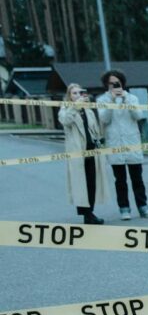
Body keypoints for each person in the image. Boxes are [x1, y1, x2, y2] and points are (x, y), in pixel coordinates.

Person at [96, 69, 148, 220]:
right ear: (106, 85)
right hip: (115, 143)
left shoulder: (132, 98)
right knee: (120, 180)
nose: (114, 85)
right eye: (111, 83)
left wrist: (125, 101)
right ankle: (124, 208)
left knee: (137, 178)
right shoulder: (102, 100)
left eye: (117, 82)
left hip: (132, 142)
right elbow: (104, 119)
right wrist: (111, 102)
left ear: (122, 83)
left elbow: (138, 115)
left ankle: (143, 207)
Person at [57, 83, 111, 224]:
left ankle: (90, 212)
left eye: (79, 93)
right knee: (82, 184)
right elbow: (65, 121)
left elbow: (93, 128)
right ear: (69, 96)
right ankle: (87, 214)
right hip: (77, 152)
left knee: (92, 183)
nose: (77, 95)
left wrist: (99, 140)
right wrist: (75, 107)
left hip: (91, 150)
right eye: (74, 93)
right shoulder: (65, 109)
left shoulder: (87, 110)